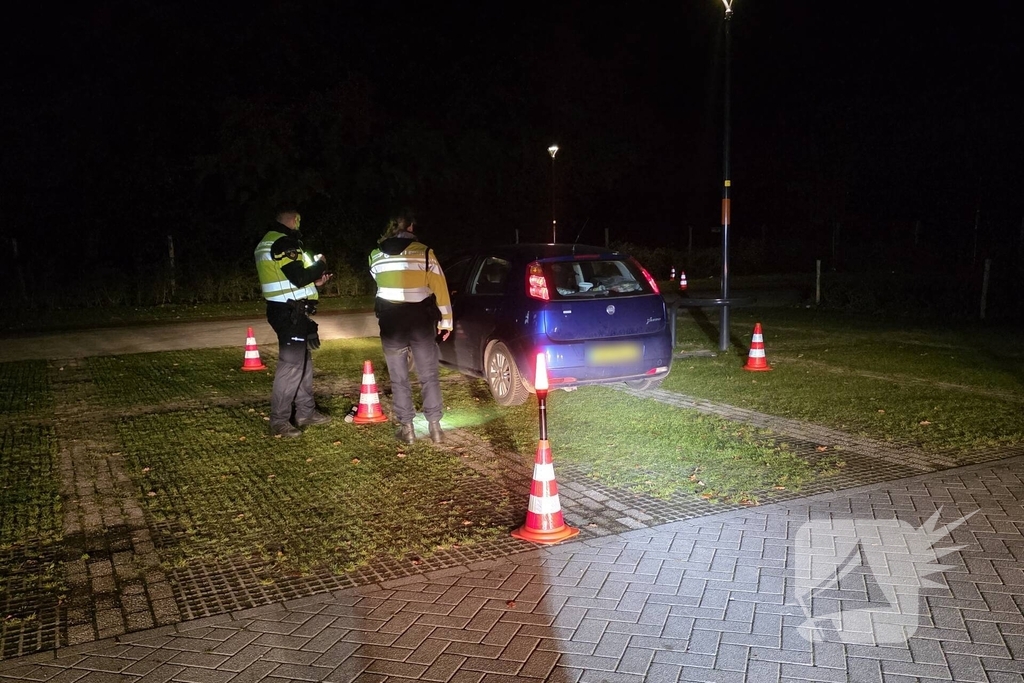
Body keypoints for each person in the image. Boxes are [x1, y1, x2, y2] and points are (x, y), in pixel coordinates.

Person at [369, 210, 453, 444]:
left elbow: (378, 282)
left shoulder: (375, 255)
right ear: (411, 228)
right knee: (428, 375)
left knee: (399, 378)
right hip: (420, 322)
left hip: (391, 323)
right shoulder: (425, 253)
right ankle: (435, 429)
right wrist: (446, 322)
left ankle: (408, 430)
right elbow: (441, 289)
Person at [254, 208, 333, 438]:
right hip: (288, 313)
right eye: (298, 219)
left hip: (290, 310)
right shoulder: (282, 242)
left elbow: (291, 283)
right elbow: (297, 277)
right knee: (290, 368)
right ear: (292, 219)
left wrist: (316, 285)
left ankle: (306, 412)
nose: (299, 223)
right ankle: (279, 421)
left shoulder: (267, 243)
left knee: (303, 364)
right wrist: (320, 265)